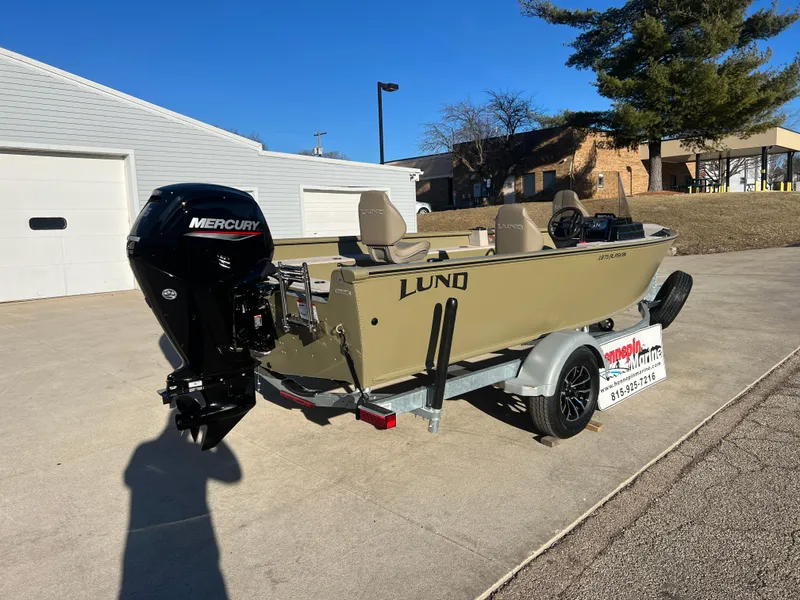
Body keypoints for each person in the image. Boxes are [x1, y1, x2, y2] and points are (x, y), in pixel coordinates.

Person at [119, 417, 241, 599]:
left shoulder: (144, 449)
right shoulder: (193, 451)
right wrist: (215, 438)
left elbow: (129, 479)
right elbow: (233, 475)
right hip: (197, 534)